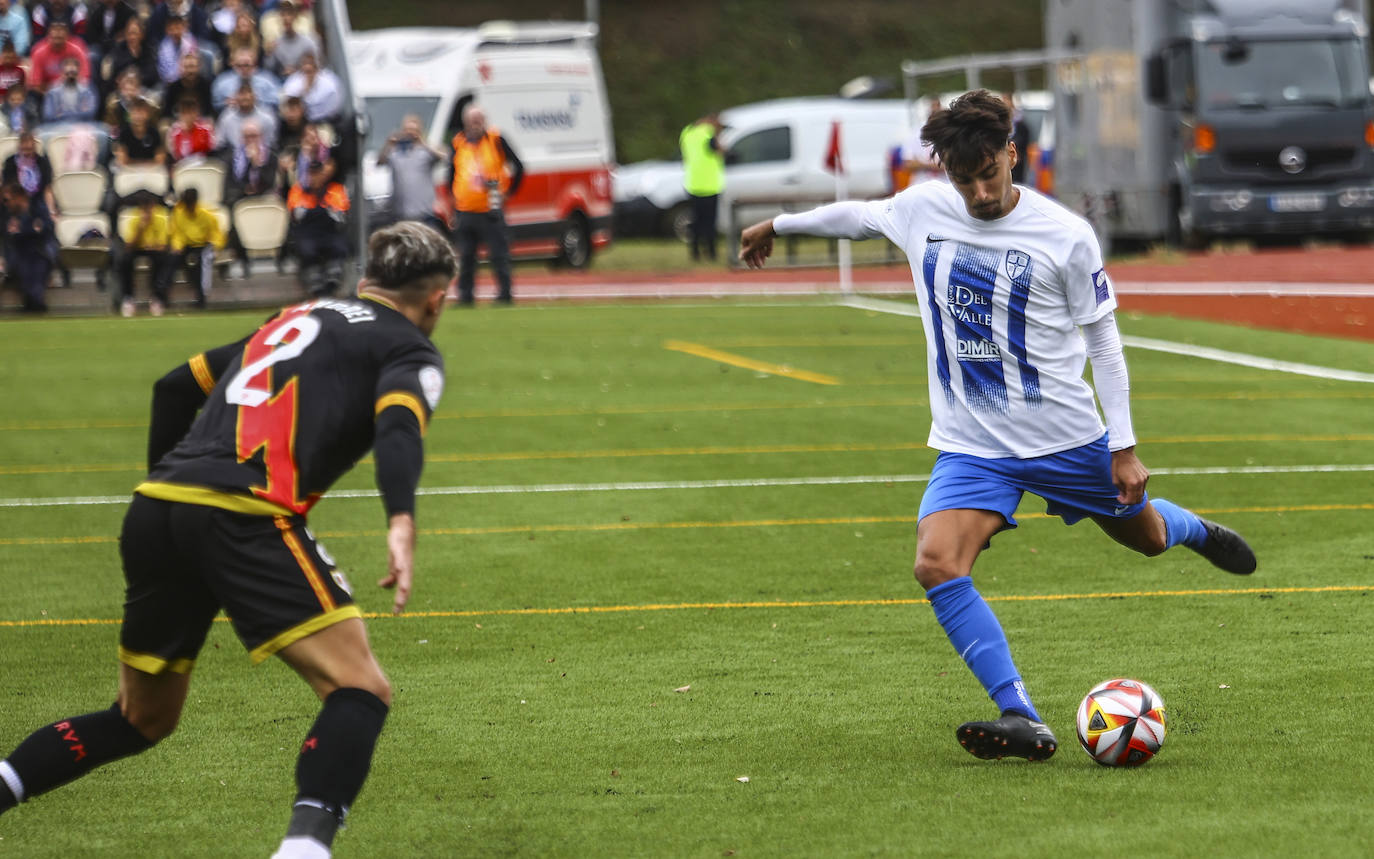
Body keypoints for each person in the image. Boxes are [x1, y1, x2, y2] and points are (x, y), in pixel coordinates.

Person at [737, 90, 1257, 762]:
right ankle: (1020, 715)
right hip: (973, 447)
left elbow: (1104, 341)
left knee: (1147, 538)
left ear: (1014, 155)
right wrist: (781, 222)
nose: (980, 192)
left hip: (1066, 439)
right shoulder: (922, 208)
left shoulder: (1064, 236)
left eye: (990, 174)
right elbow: (858, 217)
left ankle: (1192, 528)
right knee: (935, 562)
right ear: (946, 174)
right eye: (964, 180)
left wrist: (1123, 447)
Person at [0, 221, 454, 857]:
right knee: (360, 688)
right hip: (242, 512)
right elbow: (401, 427)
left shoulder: (291, 317)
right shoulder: (407, 346)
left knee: (139, 719)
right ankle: (304, 851)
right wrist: (401, 520)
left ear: (365, 278)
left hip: (159, 508)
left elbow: (174, 386)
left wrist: (168, 481)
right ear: (437, 299)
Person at [448, 102, 522, 305]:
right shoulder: (458, 143)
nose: (475, 125)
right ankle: (465, 296)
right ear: (465, 123)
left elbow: (519, 166)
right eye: (472, 121)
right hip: (465, 210)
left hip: (490, 208)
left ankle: (505, 293)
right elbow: (451, 174)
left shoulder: (496, 140)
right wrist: (453, 200)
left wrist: (508, 192)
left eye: (479, 121)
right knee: (466, 257)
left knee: (499, 254)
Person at [286, 158, 348, 296]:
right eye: (312, 173)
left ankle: (333, 280)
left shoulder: (334, 190)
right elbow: (296, 215)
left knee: (339, 246)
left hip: (329, 232)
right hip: (307, 233)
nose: (315, 177)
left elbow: (340, 215)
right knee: (306, 249)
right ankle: (314, 283)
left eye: (318, 173)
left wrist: (324, 206)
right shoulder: (298, 190)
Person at [376, 113, 445, 231]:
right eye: (407, 130)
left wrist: (422, 141)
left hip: (424, 214)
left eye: (414, 130)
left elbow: (443, 156)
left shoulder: (425, 152)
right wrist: (389, 144)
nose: (410, 134)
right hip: (401, 215)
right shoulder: (395, 153)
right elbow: (380, 162)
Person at [114, 188, 172, 317]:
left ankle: (157, 298)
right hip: (137, 248)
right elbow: (129, 245)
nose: (147, 210)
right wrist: (141, 228)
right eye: (144, 207)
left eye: (149, 207)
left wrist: (151, 245)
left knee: (163, 259)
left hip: (155, 250)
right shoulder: (134, 217)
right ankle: (128, 298)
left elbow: (162, 245)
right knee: (125, 260)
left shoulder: (161, 217)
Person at [0, 182, 55, 312]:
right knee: (24, 265)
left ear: (19, 197)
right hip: (19, 253)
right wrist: (32, 229)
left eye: (7, 200)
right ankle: (33, 300)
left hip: (40, 251)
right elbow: (12, 235)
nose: (6, 203)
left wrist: (24, 230)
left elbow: (47, 229)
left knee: (37, 264)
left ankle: (35, 300)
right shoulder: (7, 214)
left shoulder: (37, 208)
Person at [679, 110, 726, 262]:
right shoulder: (709, 133)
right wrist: (718, 134)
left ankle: (695, 252)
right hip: (710, 185)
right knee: (710, 222)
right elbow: (718, 150)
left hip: (693, 184)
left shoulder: (687, 132)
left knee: (696, 221)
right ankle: (711, 253)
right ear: (711, 120)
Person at [168, 186, 224, 306]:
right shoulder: (178, 213)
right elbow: (177, 233)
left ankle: (202, 296)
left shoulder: (206, 214)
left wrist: (216, 246)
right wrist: (177, 247)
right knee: (171, 260)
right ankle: (163, 297)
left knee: (203, 259)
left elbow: (216, 233)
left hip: (203, 245)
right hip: (185, 246)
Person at [27, 18, 90, 94]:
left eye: (61, 30)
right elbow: (35, 83)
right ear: (48, 34)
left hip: (73, 91)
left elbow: (85, 78)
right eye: (54, 30)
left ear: (68, 35)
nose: (58, 33)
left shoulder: (77, 51)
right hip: (46, 93)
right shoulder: (39, 52)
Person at [103, 16, 160, 97]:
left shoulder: (148, 50)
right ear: (125, 34)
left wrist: (136, 79)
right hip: (122, 91)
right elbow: (114, 75)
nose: (132, 37)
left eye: (135, 33)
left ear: (142, 35)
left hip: (143, 91)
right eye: (130, 33)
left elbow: (153, 75)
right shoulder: (119, 49)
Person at [212, 46, 280, 112]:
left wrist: (257, 102)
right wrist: (225, 104)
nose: (243, 69)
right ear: (233, 65)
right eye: (239, 65)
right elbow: (215, 104)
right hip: (232, 118)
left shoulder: (268, 80)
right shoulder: (222, 82)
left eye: (246, 65)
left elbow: (276, 102)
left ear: (255, 65)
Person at [280, 51, 340, 123]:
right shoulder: (293, 82)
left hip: (326, 120)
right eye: (305, 71)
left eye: (310, 71)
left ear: (317, 69)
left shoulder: (329, 83)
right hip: (302, 122)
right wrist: (304, 92)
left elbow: (333, 108)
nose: (307, 75)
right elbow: (286, 101)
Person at [264, 0, 317, 78]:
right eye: (283, 15)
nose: (286, 18)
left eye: (289, 15)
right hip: (281, 80)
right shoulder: (276, 43)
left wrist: (297, 71)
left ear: (295, 17)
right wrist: (269, 53)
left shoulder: (307, 42)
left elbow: (316, 65)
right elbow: (269, 69)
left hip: (303, 78)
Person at [41, 55, 99, 123]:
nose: (70, 76)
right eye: (67, 74)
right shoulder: (52, 91)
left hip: (83, 127)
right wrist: (78, 114)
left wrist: (62, 115)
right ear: (61, 74)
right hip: (57, 128)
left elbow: (90, 114)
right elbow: (48, 115)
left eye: (73, 73)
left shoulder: (89, 90)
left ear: (79, 73)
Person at [163, 49, 212, 118]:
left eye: (192, 66)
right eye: (186, 67)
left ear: (199, 67)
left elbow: (208, 112)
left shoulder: (206, 85)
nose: (190, 71)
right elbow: (167, 113)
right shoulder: (173, 87)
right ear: (180, 68)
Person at [166, 94, 215, 162]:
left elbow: (212, 152)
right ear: (180, 114)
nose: (188, 116)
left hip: (203, 167)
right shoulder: (174, 132)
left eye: (191, 112)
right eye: (184, 112)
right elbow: (174, 156)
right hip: (182, 168)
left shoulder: (206, 130)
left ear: (197, 113)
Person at [155, 13, 199, 86]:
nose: (175, 32)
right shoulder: (163, 46)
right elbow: (163, 72)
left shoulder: (191, 42)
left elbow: (192, 65)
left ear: (184, 28)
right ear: (167, 30)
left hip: (189, 81)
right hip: (169, 84)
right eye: (172, 29)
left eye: (178, 28)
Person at [1005, 92, 1031, 185]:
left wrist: (1019, 150)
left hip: (1018, 159)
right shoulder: (998, 121)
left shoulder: (1019, 121)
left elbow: (1025, 137)